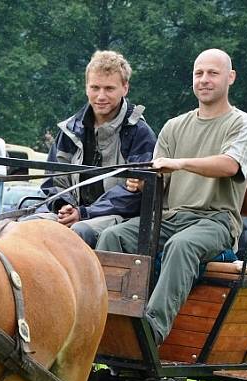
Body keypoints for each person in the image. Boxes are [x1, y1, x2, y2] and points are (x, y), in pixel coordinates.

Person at [97, 48, 247, 345]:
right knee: (112, 237)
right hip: (173, 217)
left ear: (230, 77)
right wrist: (142, 182)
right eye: (199, 73)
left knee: (181, 246)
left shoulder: (242, 124)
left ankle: (150, 333)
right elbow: (158, 176)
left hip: (216, 222)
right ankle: (106, 324)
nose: (204, 80)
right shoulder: (174, 126)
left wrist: (180, 163)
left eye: (213, 73)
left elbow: (230, 164)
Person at [37, 50, 157, 247]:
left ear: (125, 88)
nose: (101, 96)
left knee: (79, 231)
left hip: (119, 218)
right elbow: (53, 180)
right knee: (25, 226)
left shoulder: (139, 133)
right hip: (70, 213)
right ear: (86, 88)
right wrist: (63, 205)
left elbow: (135, 195)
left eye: (109, 88)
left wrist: (84, 214)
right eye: (95, 87)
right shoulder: (69, 130)